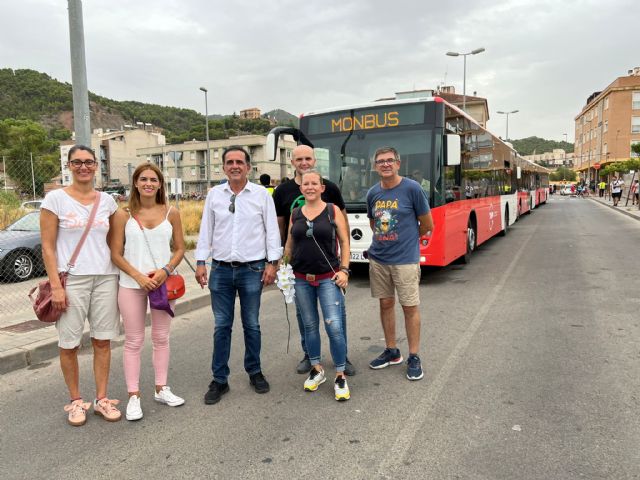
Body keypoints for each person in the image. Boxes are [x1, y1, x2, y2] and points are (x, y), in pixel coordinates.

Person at [40, 145, 121, 425]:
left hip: (105, 278)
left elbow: (115, 243)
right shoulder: (55, 200)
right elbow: (48, 247)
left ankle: (101, 399)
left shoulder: (108, 202)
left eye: (88, 162)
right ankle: (76, 401)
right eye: (77, 162)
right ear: (69, 165)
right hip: (71, 280)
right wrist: (56, 286)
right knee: (69, 343)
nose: (83, 167)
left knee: (102, 340)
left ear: (96, 166)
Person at [195, 146, 282, 405]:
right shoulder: (214, 195)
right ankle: (219, 379)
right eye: (230, 162)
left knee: (252, 324)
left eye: (239, 162)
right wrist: (201, 261)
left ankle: (254, 371)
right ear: (223, 167)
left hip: (252, 269)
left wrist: (272, 263)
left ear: (248, 167)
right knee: (222, 325)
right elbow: (205, 231)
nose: (235, 166)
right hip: (220, 270)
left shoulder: (261, 195)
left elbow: (271, 231)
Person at [110, 163, 186, 421]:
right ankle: (133, 396)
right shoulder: (124, 215)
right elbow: (115, 253)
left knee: (161, 337)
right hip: (132, 285)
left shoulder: (171, 212)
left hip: (163, 284)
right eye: (143, 179)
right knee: (133, 341)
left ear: (160, 184)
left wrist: (166, 270)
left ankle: (161, 388)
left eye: (153, 179)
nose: (148, 183)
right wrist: (139, 276)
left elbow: (179, 248)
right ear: (135, 182)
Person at [273, 145, 355, 376]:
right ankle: (310, 358)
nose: (304, 162)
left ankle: (343, 358)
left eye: (308, 158)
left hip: (329, 270)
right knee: (306, 320)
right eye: (299, 158)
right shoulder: (283, 192)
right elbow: (284, 233)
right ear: (292, 162)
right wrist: (283, 268)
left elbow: (344, 233)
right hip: (300, 272)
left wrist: (344, 269)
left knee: (335, 320)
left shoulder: (332, 193)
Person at [366, 146, 434, 381]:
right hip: (379, 259)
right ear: (375, 166)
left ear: (398, 163)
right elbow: (373, 222)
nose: (385, 164)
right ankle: (392, 350)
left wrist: (408, 240)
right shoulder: (372, 193)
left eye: (389, 160)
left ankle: (414, 355)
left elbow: (427, 224)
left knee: (409, 307)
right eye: (380, 161)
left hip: (405, 260)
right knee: (385, 304)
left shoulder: (412, 189)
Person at [283, 170, 351, 401]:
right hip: (302, 279)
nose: (310, 187)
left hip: (328, 279)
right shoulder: (295, 213)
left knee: (333, 326)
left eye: (314, 183)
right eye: (305, 184)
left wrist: (344, 270)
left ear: (322, 188)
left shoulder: (332, 210)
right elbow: (290, 244)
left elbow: (344, 240)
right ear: (301, 188)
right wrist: (284, 267)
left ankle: (340, 374)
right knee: (310, 325)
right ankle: (317, 369)